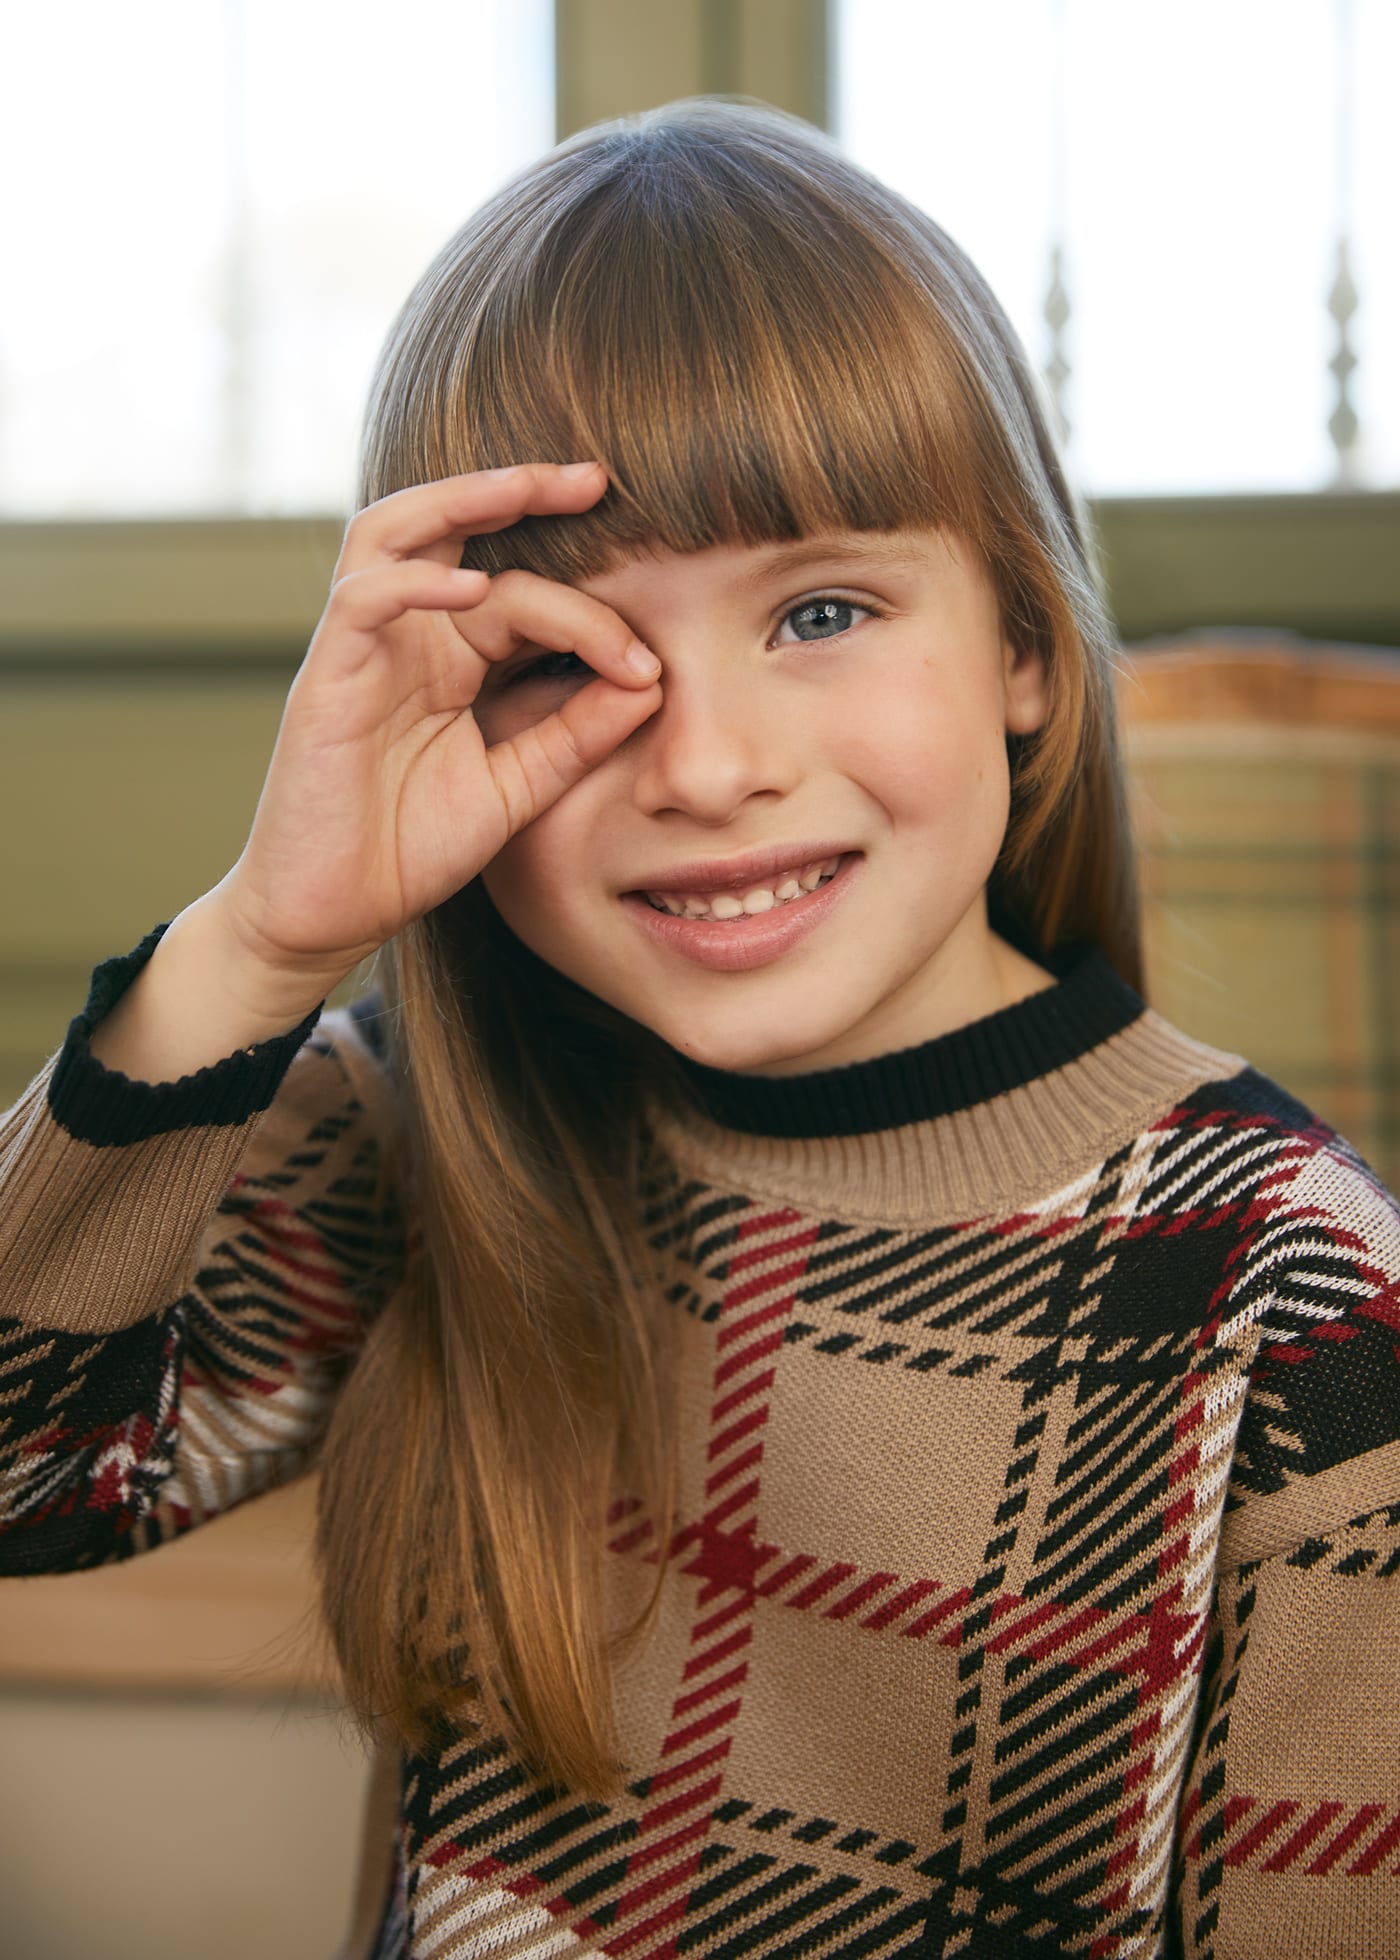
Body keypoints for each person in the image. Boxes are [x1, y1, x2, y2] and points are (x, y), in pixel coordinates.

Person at [1, 99, 1396, 1960]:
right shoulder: (422, 1125)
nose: (713, 767)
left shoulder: (1291, 1292)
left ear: (1027, 651)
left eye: (819, 610)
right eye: (571, 662)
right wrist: (260, 940)